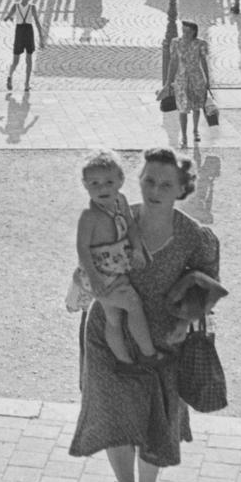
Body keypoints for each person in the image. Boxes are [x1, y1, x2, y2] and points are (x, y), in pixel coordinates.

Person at [69, 146, 221, 482]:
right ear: (136, 181)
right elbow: (87, 264)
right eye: (148, 181)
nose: (154, 190)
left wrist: (185, 324)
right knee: (114, 413)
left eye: (165, 185)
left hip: (163, 343)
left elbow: (207, 288)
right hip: (109, 334)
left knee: (158, 420)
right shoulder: (115, 217)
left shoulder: (195, 237)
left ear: (181, 189)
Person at [70, 151, 160, 365]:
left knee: (113, 318)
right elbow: (82, 249)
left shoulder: (120, 201)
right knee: (133, 305)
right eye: (95, 183)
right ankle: (149, 355)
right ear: (85, 185)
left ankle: (124, 360)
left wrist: (137, 249)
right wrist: (94, 278)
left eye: (109, 182)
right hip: (99, 273)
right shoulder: (89, 216)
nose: (102, 188)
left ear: (120, 180)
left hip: (115, 267)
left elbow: (130, 226)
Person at [164, 20, 213, 148]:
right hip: (181, 80)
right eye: (183, 30)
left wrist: (208, 80)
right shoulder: (176, 43)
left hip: (196, 79)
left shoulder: (200, 44)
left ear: (193, 32)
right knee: (182, 109)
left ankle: (195, 130)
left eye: (187, 31)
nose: (184, 33)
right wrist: (168, 81)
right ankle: (184, 137)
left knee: (197, 106)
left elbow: (203, 62)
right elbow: (173, 62)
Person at [4, 0, 45, 92]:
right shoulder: (32, 7)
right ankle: (26, 84)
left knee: (15, 60)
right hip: (28, 31)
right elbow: (37, 22)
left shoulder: (15, 6)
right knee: (29, 60)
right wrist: (41, 37)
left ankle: (10, 75)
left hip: (19, 32)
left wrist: (9, 18)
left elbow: (8, 16)